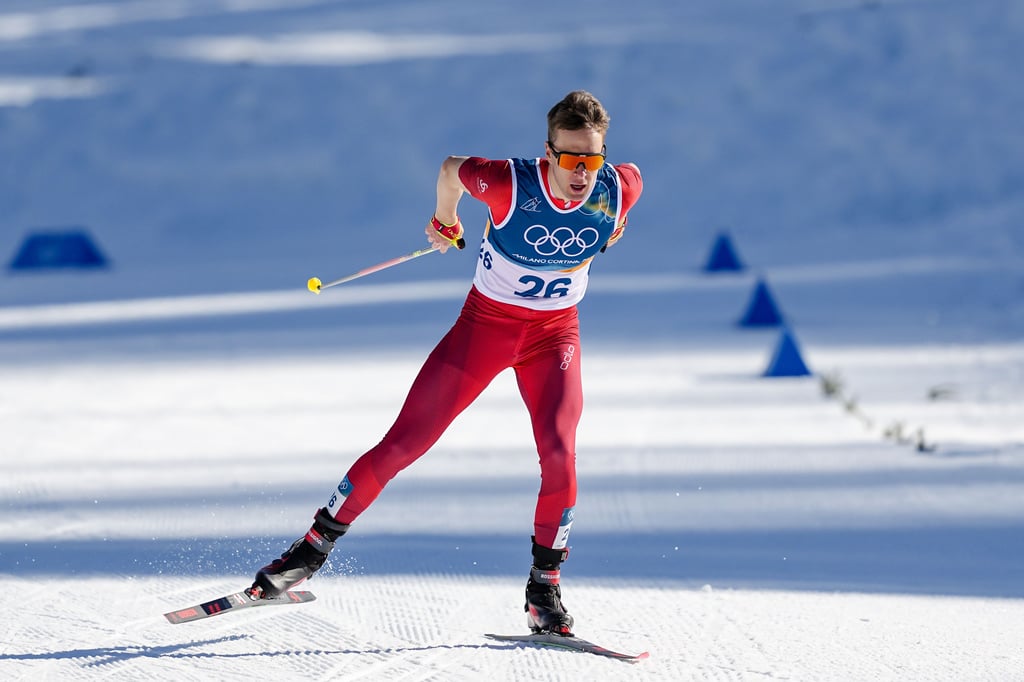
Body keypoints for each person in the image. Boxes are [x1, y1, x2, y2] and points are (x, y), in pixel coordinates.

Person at [250, 90, 643, 636]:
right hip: (484, 330)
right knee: (405, 442)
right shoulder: (510, 183)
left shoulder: (619, 188)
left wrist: (610, 227)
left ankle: (543, 590)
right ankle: (308, 552)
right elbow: (452, 168)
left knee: (560, 454)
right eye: (570, 158)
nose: (581, 173)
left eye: (592, 159)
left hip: (555, 337)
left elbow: (622, 199)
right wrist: (445, 220)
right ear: (548, 152)